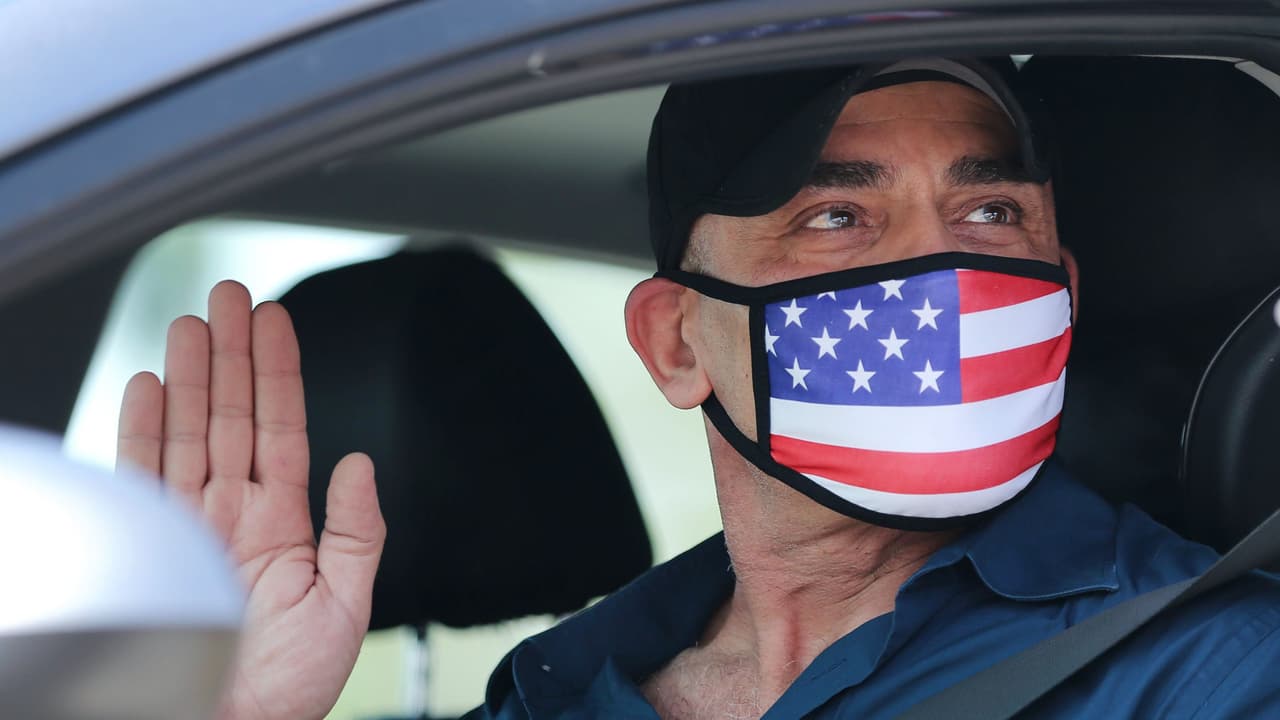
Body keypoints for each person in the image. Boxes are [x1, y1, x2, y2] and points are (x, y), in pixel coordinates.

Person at [117, 58, 1280, 719]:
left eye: (988, 210)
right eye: (837, 217)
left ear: (1061, 294)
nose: (939, 274)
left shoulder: (1211, 672)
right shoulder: (563, 692)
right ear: (675, 344)